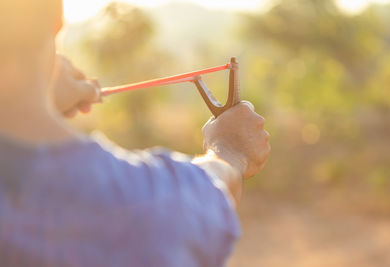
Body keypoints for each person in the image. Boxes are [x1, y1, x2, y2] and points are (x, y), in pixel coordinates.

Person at [0, 0, 270, 266]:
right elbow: (204, 193)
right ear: (57, 19)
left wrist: (23, 96)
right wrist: (229, 150)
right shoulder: (136, 203)